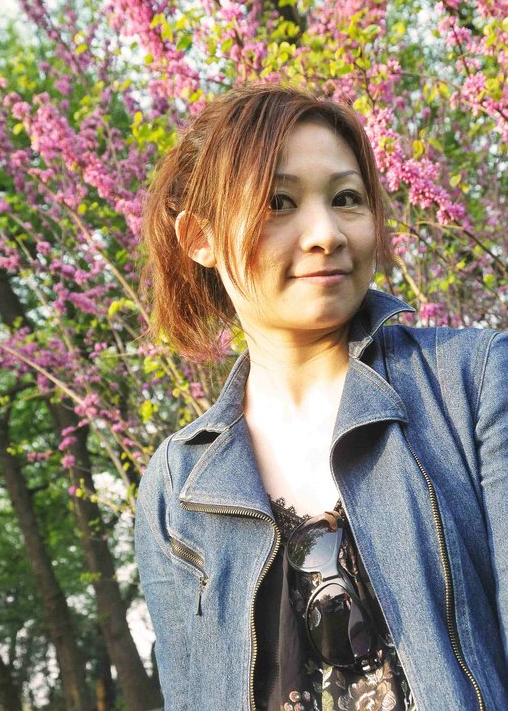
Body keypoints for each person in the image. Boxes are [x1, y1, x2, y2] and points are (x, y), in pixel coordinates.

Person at [135, 83, 507, 711]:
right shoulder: (177, 484)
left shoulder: (475, 382)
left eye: (346, 199)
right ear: (200, 237)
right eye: (278, 202)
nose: (326, 233)